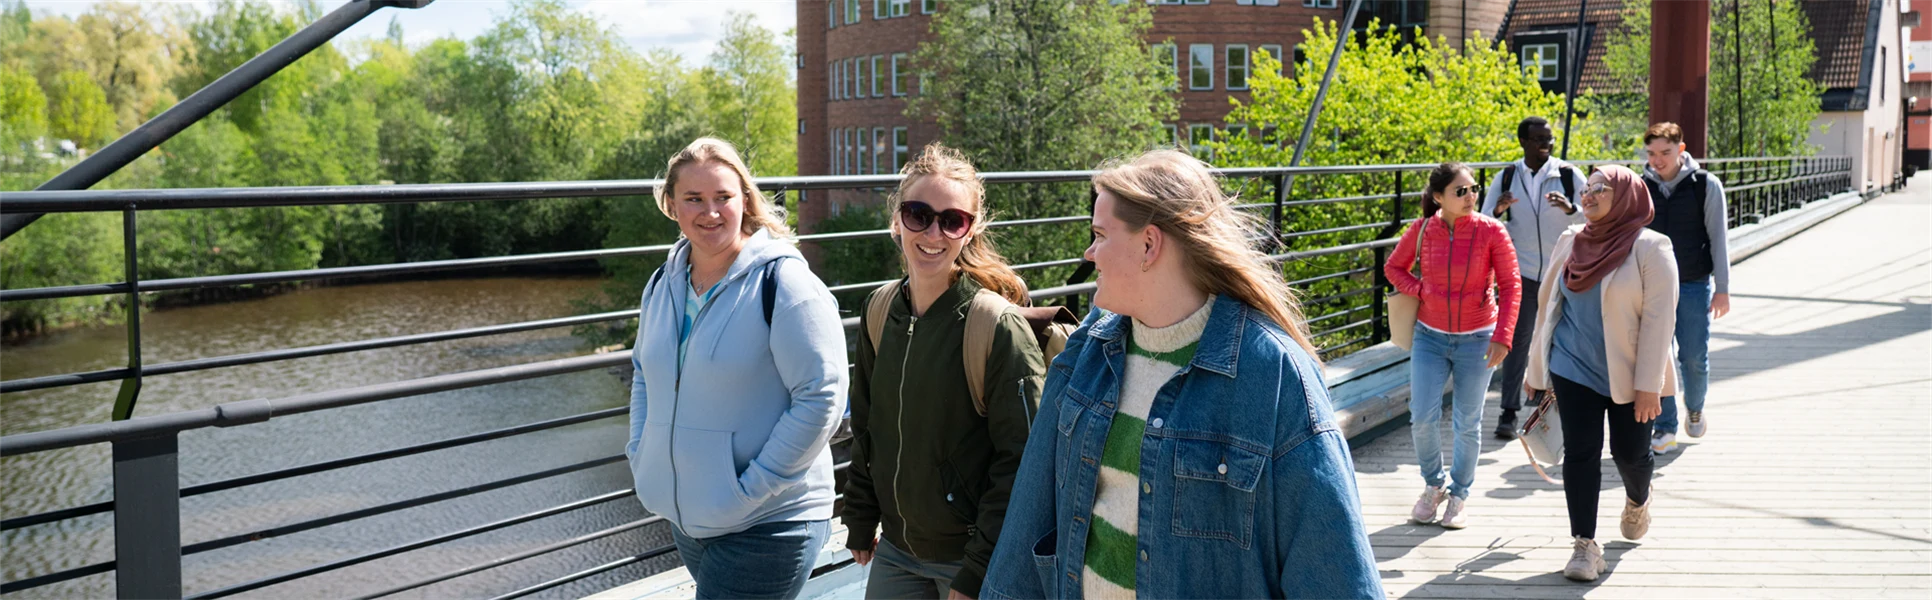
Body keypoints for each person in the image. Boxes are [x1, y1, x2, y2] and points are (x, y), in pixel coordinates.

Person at [981, 150, 1382, 599]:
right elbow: (1027, 525)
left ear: (1149, 245)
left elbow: (1336, 575)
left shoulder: (1275, 377)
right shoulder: (1086, 351)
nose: (1089, 252)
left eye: (1099, 234)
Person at [624, 137, 847, 600]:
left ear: (745, 199)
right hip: (693, 519)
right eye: (694, 199)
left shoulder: (783, 282)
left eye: (723, 197)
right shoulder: (662, 284)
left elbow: (823, 395)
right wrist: (641, 452)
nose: (711, 212)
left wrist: (750, 489)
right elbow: (645, 372)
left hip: (770, 521)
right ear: (671, 205)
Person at [843, 143, 1047, 600]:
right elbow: (867, 426)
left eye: (952, 220)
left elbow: (1022, 462)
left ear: (971, 230)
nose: (933, 231)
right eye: (918, 213)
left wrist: (977, 571)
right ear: (896, 218)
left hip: (968, 557)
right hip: (896, 548)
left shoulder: (995, 326)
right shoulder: (879, 311)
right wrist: (860, 516)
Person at [1524, 165, 1677, 583]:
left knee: (1631, 454)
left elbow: (1660, 322)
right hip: (1573, 366)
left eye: (1599, 188)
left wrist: (1650, 388)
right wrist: (1537, 368)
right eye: (1586, 189)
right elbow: (1547, 307)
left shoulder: (1651, 247)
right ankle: (1584, 545)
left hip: (1631, 374)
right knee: (1581, 452)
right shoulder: (1570, 241)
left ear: (1626, 195)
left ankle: (1637, 499)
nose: (1588, 195)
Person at [1384, 162, 1522, 530]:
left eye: (1473, 188)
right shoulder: (1423, 229)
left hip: (1477, 338)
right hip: (1430, 336)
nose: (1471, 196)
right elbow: (1394, 268)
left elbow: (1511, 286)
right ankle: (1434, 485)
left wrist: (1503, 336)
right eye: (1461, 191)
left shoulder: (1492, 231)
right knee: (1423, 416)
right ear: (1438, 197)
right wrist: (1421, 289)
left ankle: (1459, 495)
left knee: (1467, 423)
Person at [1482, 116, 1589, 439]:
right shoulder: (1506, 178)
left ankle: (1554, 409)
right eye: (1540, 139)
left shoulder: (1569, 176)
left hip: (1565, 272)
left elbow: (1595, 217)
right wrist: (1498, 212)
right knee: (1516, 342)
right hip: (1522, 273)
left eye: (1550, 139)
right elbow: (1484, 222)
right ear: (1523, 142)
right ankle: (1509, 412)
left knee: (1564, 341)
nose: (1547, 144)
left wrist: (1572, 210)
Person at [1640, 122, 1731, 454]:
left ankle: (1695, 406)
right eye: (1651, 154)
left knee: (1693, 357)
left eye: (1665, 153)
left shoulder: (1705, 185)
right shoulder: (1640, 186)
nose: (1657, 160)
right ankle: (1665, 427)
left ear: (1681, 149)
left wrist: (1723, 288)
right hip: (1652, 286)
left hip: (1693, 283)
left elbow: (1719, 238)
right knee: (1657, 358)